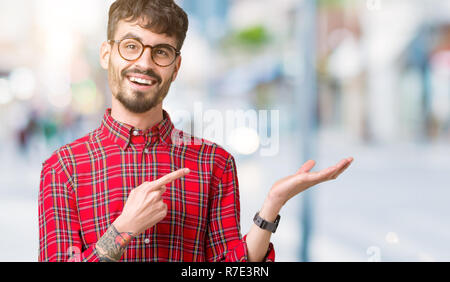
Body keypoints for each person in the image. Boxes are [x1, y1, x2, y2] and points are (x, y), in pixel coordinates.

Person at [38, 0, 353, 262]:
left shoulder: (214, 163)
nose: (144, 63)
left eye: (161, 51)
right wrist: (124, 228)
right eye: (131, 46)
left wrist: (272, 205)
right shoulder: (62, 168)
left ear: (175, 67)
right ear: (107, 54)